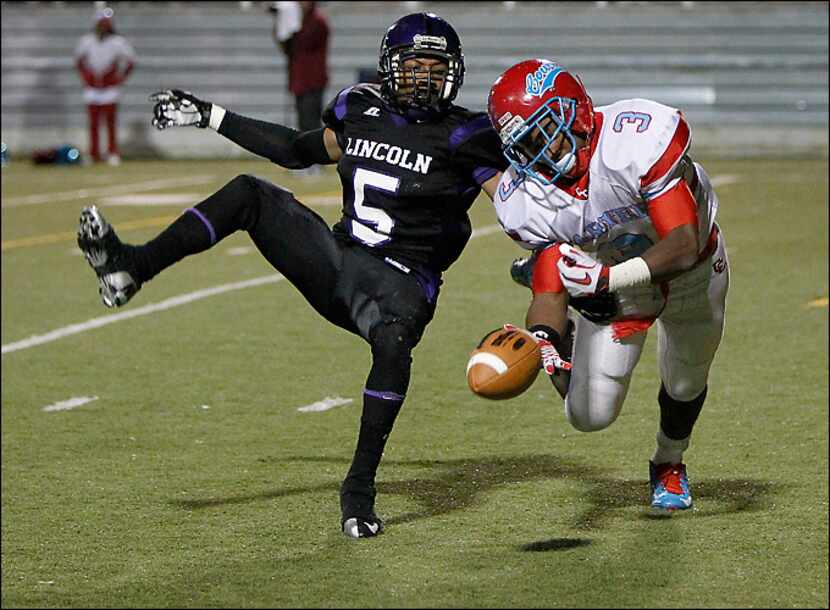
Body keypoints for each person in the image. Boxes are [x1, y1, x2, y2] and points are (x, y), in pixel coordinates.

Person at [76, 13, 507, 538]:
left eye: (435, 66)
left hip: (400, 284)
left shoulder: (467, 136)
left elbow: (511, 204)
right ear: (389, 66)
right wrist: (211, 116)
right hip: (338, 260)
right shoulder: (361, 108)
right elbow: (293, 150)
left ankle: (358, 490)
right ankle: (130, 268)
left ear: (454, 73)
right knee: (249, 193)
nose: (423, 76)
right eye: (413, 64)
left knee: (394, 341)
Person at [486, 59, 729, 513]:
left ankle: (668, 462)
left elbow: (682, 242)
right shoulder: (528, 198)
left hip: (693, 271)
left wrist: (606, 279)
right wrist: (542, 340)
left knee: (686, 378)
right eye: (526, 144)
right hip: (619, 289)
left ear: (575, 110)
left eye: (545, 131)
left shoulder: (633, 138)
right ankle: (573, 338)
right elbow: (549, 281)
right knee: (588, 416)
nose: (538, 153)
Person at [74, 7, 136, 165]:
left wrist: (120, 79)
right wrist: (85, 78)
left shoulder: (118, 42)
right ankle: (93, 153)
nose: (103, 27)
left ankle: (112, 152)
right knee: (93, 123)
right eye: (101, 24)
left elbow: (130, 61)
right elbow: (78, 62)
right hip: (92, 88)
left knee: (110, 122)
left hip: (110, 88)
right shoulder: (86, 41)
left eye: (106, 24)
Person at [271, 2, 329, 134]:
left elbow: (302, 42)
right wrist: (280, 22)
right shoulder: (298, 22)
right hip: (299, 81)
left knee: (311, 123)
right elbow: (288, 48)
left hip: (312, 81)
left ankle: (315, 153)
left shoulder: (318, 22)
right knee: (303, 123)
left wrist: (287, 20)